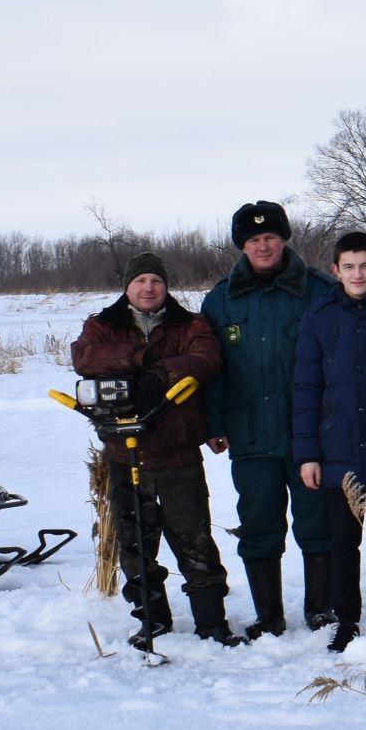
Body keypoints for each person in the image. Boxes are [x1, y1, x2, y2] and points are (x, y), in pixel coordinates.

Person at [73, 252, 243, 648]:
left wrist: (160, 377)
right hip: (125, 452)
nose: (148, 288)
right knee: (135, 543)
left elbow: (206, 357)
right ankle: (153, 619)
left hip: (178, 453)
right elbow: (84, 357)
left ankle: (211, 622)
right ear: (127, 287)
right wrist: (145, 359)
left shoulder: (190, 324)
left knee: (194, 538)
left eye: (156, 281)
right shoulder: (102, 325)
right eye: (141, 281)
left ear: (165, 286)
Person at [202, 200, 339, 638]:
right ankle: (269, 616)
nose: (263, 246)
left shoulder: (320, 291)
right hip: (250, 434)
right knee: (259, 524)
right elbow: (212, 368)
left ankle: (320, 609)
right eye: (253, 240)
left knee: (317, 522)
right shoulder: (221, 300)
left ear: (284, 239)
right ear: (242, 246)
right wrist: (214, 423)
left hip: (311, 436)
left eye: (270, 237)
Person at [293, 232, 366, 653]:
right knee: (344, 542)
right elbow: (306, 388)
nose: (357, 274)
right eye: (349, 266)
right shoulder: (319, 316)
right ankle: (348, 620)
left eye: (365, 265)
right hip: (339, 447)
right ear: (335, 270)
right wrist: (308, 453)